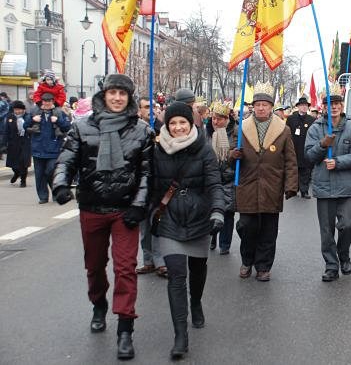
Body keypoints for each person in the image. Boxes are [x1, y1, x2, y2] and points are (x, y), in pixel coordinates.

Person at [52, 74, 155, 360]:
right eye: (113, 93)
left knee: (125, 269)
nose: (118, 98)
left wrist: (139, 205)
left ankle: (125, 329)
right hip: (92, 209)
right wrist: (60, 183)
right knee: (95, 267)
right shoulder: (82, 127)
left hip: (125, 211)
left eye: (123, 94)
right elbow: (67, 159)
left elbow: (147, 173)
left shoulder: (143, 131)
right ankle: (98, 304)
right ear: (104, 95)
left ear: (130, 97)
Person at [150, 101, 225, 359]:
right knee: (176, 275)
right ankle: (180, 334)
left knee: (198, 269)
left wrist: (217, 210)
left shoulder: (204, 150)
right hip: (169, 219)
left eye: (182, 122)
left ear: (191, 124)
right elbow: (148, 185)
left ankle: (196, 302)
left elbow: (215, 184)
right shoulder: (156, 150)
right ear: (166, 126)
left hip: (198, 218)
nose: (178, 127)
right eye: (173, 123)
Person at [231, 82, 298, 281]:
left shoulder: (283, 130)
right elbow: (229, 156)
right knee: (246, 226)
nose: (261, 108)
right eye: (257, 104)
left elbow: (290, 160)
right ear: (253, 106)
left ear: (271, 107)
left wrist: (291, 185)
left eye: (265, 105)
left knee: (269, 231)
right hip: (247, 185)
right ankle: (246, 260)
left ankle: (263, 266)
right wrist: (232, 155)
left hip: (272, 187)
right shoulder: (241, 128)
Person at [305, 85, 351, 282]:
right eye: (330, 104)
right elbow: (309, 155)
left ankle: (344, 254)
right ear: (324, 107)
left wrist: (337, 162)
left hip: (346, 186)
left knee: (347, 226)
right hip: (323, 187)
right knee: (326, 231)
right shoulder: (315, 128)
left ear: (342, 106)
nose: (334, 107)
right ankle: (331, 265)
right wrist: (323, 144)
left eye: (337, 104)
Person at [135, 96, 166, 278]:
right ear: (139, 110)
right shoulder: (135, 130)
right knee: (144, 227)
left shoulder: (162, 129)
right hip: (140, 186)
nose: (151, 110)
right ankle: (148, 261)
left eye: (153, 107)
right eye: (147, 107)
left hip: (159, 184)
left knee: (157, 225)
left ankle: (161, 261)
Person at [24, 92, 70, 204]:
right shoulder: (35, 111)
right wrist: (32, 119)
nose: (47, 103)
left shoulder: (59, 112)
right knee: (39, 175)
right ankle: (43, 197)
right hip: (38, 148)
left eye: (49, 101)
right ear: (42, 101)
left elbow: (67, 127)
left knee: (50, 171)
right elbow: (25, 126)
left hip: (54, 148)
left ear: (53, 101)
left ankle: (55, 192)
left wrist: (58, 120)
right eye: (45, 101)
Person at [209, 100, 237, 254]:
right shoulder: (207, 132)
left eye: (219, 118)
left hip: (228, 178)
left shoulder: (236, 132)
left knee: (227, 212)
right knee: (211, 210)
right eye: (213, 118)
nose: (215, 121)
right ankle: (212, 236)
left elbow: (239, 154)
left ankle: (225, 244)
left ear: (227, 119)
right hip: (211, 178)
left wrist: (232, 156)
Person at [286, 96, 316, 198]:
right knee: (294, 170)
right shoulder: (291, 119)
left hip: (306, 148)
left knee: (306, 170)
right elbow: (287, 133)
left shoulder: (312, 120)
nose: (304, 107)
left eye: (305, 106)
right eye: (302, 105)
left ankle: (304, 191)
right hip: (293, 147)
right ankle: (294, 189)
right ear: (298, 107)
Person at [4, 101, 31, 187]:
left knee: (23, 163)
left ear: (23, 110)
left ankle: (23, 180)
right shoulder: (10, 117)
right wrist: (3, 144)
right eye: (16, 109)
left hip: (25, 143)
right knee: (13, 164)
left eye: (19, 109)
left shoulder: (28, 117)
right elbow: (6, 131)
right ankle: (16, 173)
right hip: (13, 143)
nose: (17, 111)